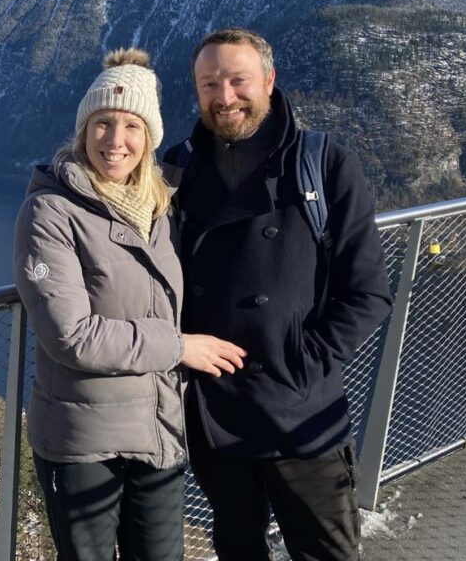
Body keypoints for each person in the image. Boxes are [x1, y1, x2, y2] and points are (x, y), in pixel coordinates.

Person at [165, 28, 393, 561]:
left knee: (327, 552)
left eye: (238, 80)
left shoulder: (325, 164)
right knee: (239, 550)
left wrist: (304, 362)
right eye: (209, 84)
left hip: (302, 416)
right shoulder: (177, 168)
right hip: (217, 413)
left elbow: (368, 291)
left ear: (268, 80)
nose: (224, 98)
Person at [14, 48, 246, 561]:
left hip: (159, 427)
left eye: (131, 126)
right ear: (83, 129)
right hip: (83, 440)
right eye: (102, 123)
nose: (114, 141)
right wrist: (179, 346)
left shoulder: (160, 208)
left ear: (149, 138)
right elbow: (70, 335)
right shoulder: (50, 210)